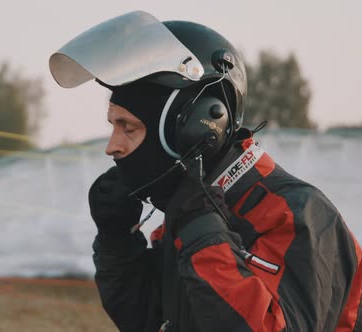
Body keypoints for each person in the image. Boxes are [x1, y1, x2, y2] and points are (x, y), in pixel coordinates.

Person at [49, 11, 362, 332]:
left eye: (128, 127)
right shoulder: (192, 212)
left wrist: (203, 234)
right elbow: (150, 320)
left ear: (195, 128)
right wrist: (119, 245)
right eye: (113, 127)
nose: (112, 146)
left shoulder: (299, 216)